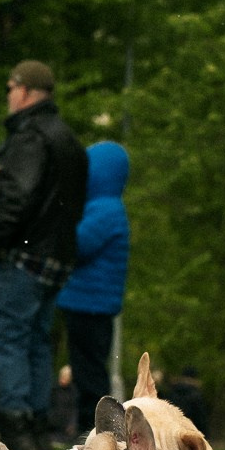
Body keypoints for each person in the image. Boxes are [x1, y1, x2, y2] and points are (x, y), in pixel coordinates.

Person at [0, 60, 87, 450]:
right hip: (54, 261)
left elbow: (14, 198)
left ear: (22, 90)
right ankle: (35, 428)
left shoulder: (30, 138)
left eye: (9, 88)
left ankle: (16, 428)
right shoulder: (69, 141)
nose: (8, 97)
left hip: (20, 258)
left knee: (10, 340)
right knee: (37, 343)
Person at [55, 141, 130, 433]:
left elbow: (78, 244)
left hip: (90, 305)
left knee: (89, 372)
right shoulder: (105, 208)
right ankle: (95, 426)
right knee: (87, 369)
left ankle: (97, 429)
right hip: (89, 303)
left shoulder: (105, 209)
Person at [162, 367, 211, 436]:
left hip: (172, 432)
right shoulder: (196, 395)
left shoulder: (171, 392)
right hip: (191, 434)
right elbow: (200, 419)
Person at [49, 364, 79, 446]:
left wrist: (72, 423)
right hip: (54, 417)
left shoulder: (73, 391)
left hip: (65, 418)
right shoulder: (54, 389)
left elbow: (74, 408)